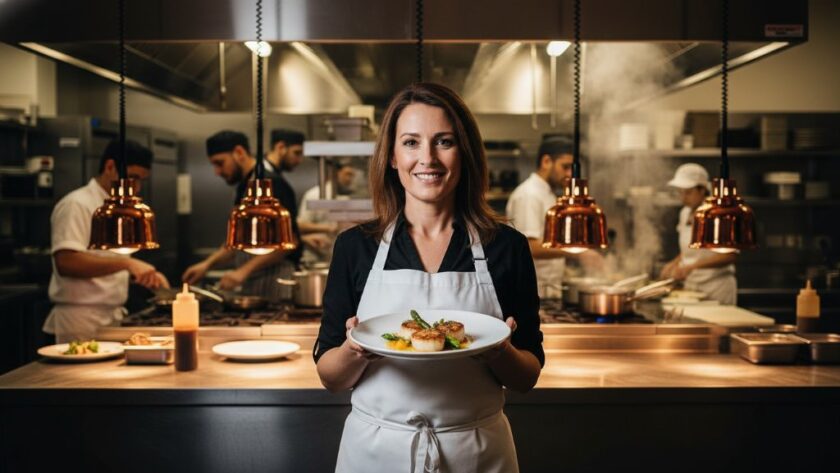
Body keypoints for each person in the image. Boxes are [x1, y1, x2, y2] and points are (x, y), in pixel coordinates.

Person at [315, 83, 543, 473]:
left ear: (465, 153)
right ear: (391, 157)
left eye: (444, 141)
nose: (428, 158)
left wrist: (499, 350)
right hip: (376, 451)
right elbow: (330, 376)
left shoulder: (507, 247)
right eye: (411, 142)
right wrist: (355, 350)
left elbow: (527, 375)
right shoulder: (356, 247)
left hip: (477, 450)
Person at [45, 139, 170, 343]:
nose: (136, 188)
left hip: (112, 317)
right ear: (110, 167)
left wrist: (140, 275)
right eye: (132, 178)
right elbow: (66, 262)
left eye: (140, 181)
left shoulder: (121, 209)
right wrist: (128, 264)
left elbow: (104, 261)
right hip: (80, 321)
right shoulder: (77, 204)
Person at [181, 130, 302, 300]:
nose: (217, 171)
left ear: (239, 153)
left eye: (220, 163)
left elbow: (290, 242)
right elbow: (238, 241)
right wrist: (207, 264)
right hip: (254, 283)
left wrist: (242, 271)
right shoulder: (243, 187)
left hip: (277, 281)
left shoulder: (272, 185)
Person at [506, 136, 602, 298]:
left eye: (572, 168)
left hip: (548, 291)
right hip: (533, 293)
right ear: (546, 161)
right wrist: (577, 253)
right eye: (565, 167)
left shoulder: (547, 194)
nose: (570, 174)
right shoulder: (529, 195)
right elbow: (529, 246)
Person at [660, 163, 738, 304]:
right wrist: (673, 263)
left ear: (702, 190)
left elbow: (730, 255)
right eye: (680, 192)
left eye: (688, 192)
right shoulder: (684, 213)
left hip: (716, 287)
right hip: (693, 288)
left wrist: (692, 267)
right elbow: (690, 250)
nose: (683, 198)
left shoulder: (718, 214)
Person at [297, 160, 358, 262]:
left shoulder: (345, 198)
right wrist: (328, 228)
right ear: (335, 173)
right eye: (347, 174)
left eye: (352, 176)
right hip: (313, 257)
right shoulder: (315, 195)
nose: (350, 179)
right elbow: (300, 225)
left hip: (334, 257)